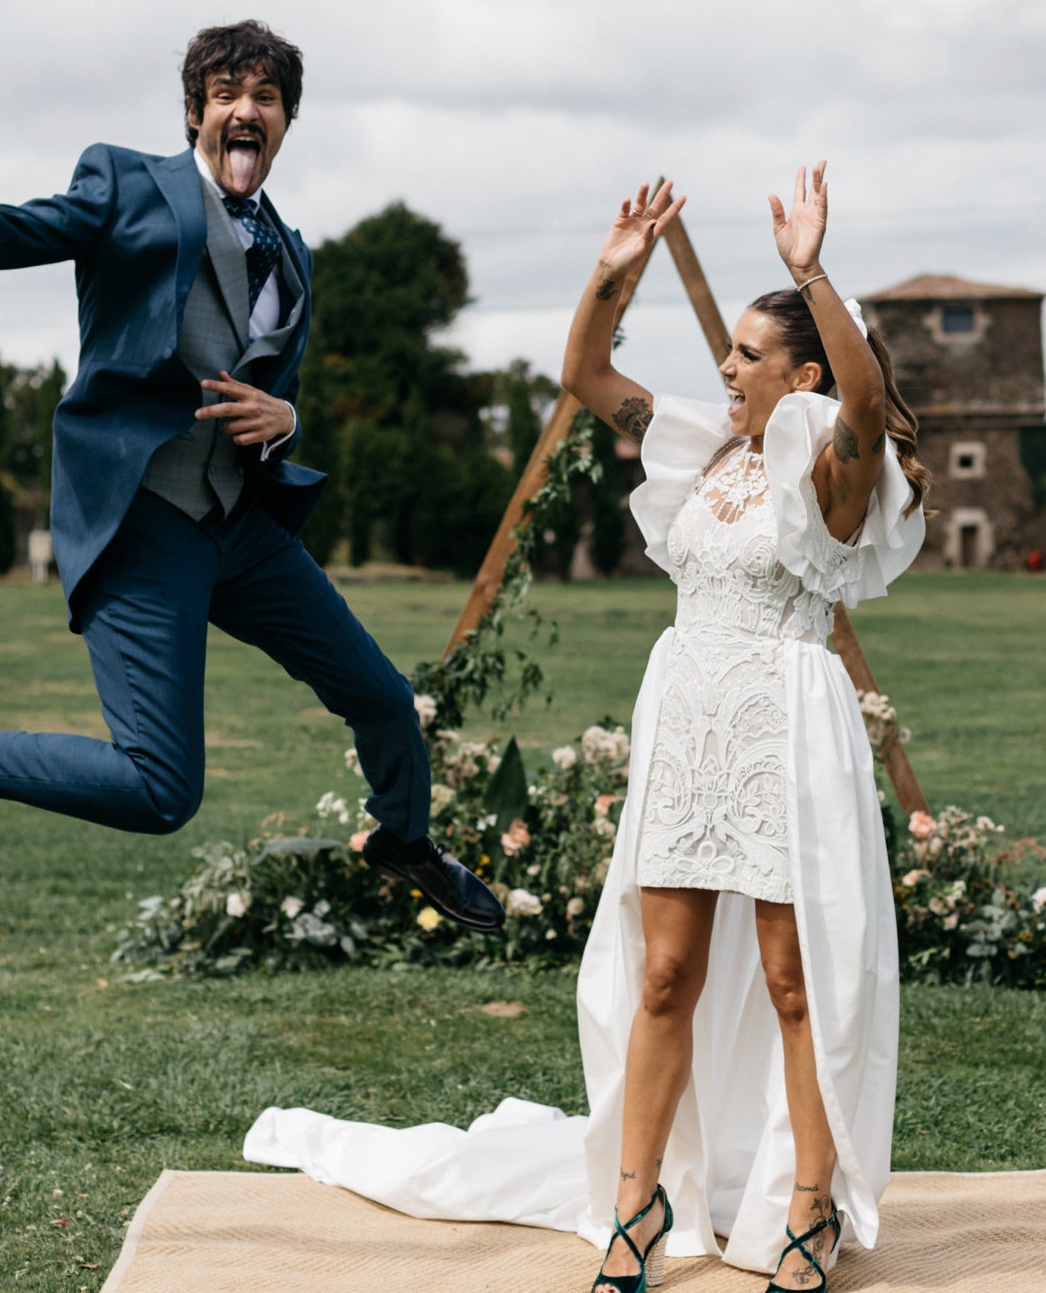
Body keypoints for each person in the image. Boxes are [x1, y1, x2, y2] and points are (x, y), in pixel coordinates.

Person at [243, 163, 929, 1291]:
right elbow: (581, 375)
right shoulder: (704, 448)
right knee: (661, 974)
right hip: (686, 717)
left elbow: (862, 405)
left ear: (798, 372)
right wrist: (611, 275)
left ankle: (806, 1206)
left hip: (784, 730)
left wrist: (810, 269)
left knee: (795, 981)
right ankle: (632, 1202)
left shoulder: (830, 474)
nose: (726, 368)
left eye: (749, 357)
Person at [0, 20, 501, 937]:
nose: (248, 110)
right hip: (145, 517)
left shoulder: (294, 253)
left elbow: (268, 397)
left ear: (286, 121)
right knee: (160, 790)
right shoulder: (126, 186)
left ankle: (403, 839)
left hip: (239, 527)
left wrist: (288, 421)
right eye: (228, 93)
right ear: (199, 111)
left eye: (267, 98)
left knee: (386, 702)